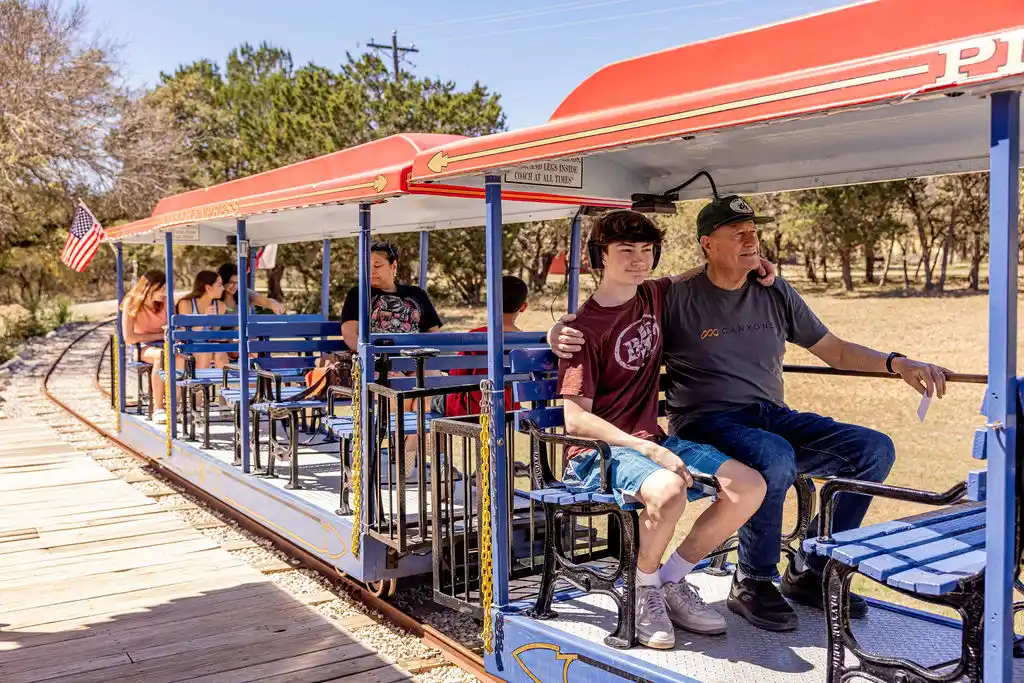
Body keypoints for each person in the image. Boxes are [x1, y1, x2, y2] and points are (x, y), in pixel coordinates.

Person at [550, 195, 951, 633]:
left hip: (770, 414)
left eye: (754, 232)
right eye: (737, 233)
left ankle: (811, 568)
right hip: (707, 421)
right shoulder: (675, 295)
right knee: (773, 455)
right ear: (707, 243)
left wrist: (897, 363)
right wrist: (557, 331)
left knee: (873, 450)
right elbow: (605, 315)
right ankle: (753, 581)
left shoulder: (772, 290)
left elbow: (834, 350)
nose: (751, 240)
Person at [555, 209, 766, 650]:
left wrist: (757, 264)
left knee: (748, 486)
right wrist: (649, 451)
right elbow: (576, 420)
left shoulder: (653, 293)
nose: (638, 260)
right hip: (596, 454)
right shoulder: (582, 330)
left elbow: (702, 271)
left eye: (647, 250)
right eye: (626, 250)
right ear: (600, 256)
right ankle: (642, 590)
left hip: (651, 442)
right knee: (669, 491)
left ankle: (670, 580)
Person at [340, 241, 443, 477]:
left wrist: (417, 361)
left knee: (431, 383)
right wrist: (374, 360)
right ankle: (414, 446)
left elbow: (433, 333)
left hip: (415, 362)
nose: (371, 271)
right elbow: (350, 334)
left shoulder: (416, 295)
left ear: (393, 266)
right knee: (400, 388)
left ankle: (410, 442)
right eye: (367, 267)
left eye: (377, 265)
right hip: (377, 365)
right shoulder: (358, 294)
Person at [442, 275, 528, 418]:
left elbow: (456, 377)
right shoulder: (526, 342)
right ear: (523, 307)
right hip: (509, 408)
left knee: (423, 401)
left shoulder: (475, 337)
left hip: (470, 408)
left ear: (490, 302)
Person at [120, 270, 169, 424]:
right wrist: (159, 335)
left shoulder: (166, 302)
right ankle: (158, 408)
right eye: (161, 289)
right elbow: (129, 337)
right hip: (142, 347)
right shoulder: (131, 302)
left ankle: (176, 405)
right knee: (161, 356)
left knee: (179, 355)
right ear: (149, 287)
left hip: (166, 344)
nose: (164, 293)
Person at [176, 270, 230, 372]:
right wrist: (204, 319)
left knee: (220, 352)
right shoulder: (186, 304)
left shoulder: (221, 306)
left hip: (208, 345)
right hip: (189, 346)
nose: (223, 288)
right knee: (205, 352)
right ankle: (200, 381)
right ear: (208, 288)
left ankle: (226, 381)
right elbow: (185, 334)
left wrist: (222, 335)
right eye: (219, 285)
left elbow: (214, 334)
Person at [217, 263, 285, 315]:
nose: (235, 286)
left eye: (237, 282)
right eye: (231, 282)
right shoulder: (214, 296)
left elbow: (263, 300)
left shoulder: (245, 293)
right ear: (223, 281)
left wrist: (275, 304)